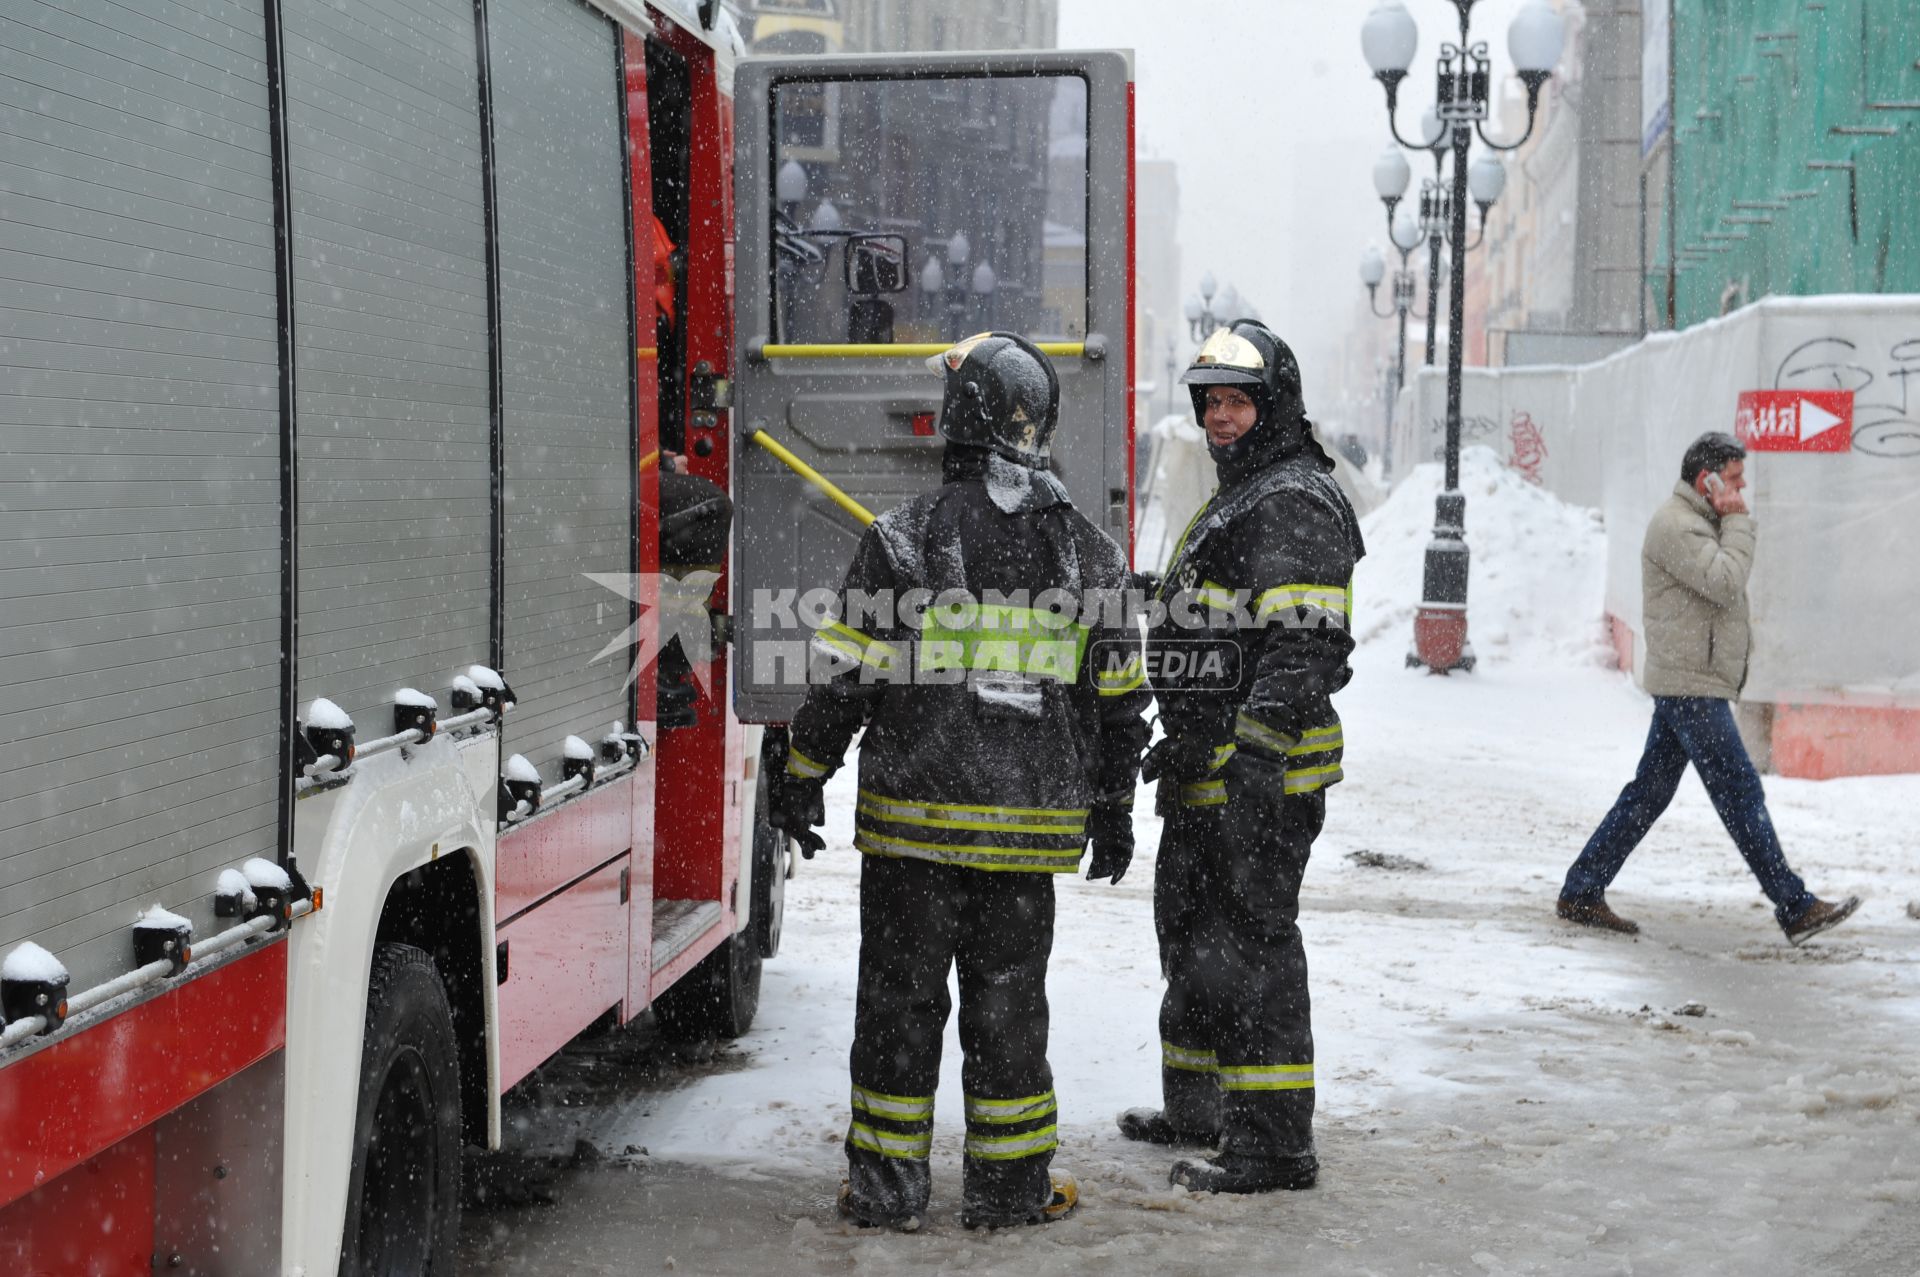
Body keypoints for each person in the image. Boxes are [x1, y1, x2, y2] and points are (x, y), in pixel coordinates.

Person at [770, 333, 1151, 1231]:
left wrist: (801, 774)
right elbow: (1120, 700)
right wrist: (1115, 803)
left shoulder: (902, 542)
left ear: (960, 421)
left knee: (899, 1007)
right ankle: (1011, 1189)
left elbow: (841, 683)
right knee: (1011, 1009)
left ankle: (886, 1190)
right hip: (1024, 838)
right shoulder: (1089, 556)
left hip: (914, 831)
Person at [1119, 321, 1365, 1195]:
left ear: (1274, 404)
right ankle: (1199, 1110)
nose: (1220, 417)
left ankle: (1271, 1144)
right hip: (1205, 767)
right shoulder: (1245, 490)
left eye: (1237, 401)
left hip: (1258, 776)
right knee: (1189, 933)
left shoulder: (1293, 496)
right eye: (1211, 402)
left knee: (1252, 946)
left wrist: (1255, 759)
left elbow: (1303, 646)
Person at [1556, 432, 1859, 944]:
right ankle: (1794, 905)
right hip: (1691, 686)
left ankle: (1583, 888)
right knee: (1740, 791)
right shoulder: (1677, 525)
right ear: (1707, 479)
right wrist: (1738, 520)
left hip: (1690, 682)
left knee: (1648, 794)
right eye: (1735, 479)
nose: (1743, 491)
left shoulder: (1698, 522)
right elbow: (1723, 580)